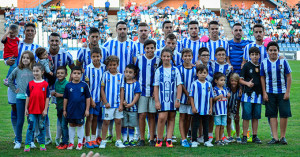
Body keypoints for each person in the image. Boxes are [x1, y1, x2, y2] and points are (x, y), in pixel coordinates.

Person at [6, 23, 40, 141]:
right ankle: (17, 135)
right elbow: (8, 56)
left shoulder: (38, 47)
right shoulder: (18, 44)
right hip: (16, 82)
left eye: (32, 30)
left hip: (31, 85)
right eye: (28, 30)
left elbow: (40, 65)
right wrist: (6, 62)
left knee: (33, 110)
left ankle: (34, 136)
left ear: (35, 33)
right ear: (24, 32)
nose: (30, 32)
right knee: (14, 107)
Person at [260, 41, 292, 145]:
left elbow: (289, 77)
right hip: (270, 92)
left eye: (275, 50)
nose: (273, 52)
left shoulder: (283, 61)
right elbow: (262, 78)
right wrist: (264, 92)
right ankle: (275, 137)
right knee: (272, 115)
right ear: (267, 51)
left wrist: (287, 92)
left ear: (278, 51)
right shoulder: (264, 63)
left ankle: (283, 137)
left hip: (282, 92)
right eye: (271, 50)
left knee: (283, 114)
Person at [154, 48, 182, 147]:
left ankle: (169, 138)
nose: (166, 58)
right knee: (162, 117)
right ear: (161, 57)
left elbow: (179, 85)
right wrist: (157, 101)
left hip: (172, 98)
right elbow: (156, 86)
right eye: (164, 56)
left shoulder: (175, 70)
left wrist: (178, 99)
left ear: (171, 57)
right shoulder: (158, 70)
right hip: (162, 99)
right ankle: (159, 138)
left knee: (171, 117)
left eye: (168, 56)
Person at [8, 51, 35, 149]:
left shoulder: (34, 70)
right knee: (20, 120)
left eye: (27, 58)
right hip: (20, 98)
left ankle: (31, 141)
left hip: (31, 99)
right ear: (21, 59)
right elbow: (9, 80)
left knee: (31, 120)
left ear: (31, 59)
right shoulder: (18, 69)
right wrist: (14, 90)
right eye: (23, 58)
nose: (25, 60)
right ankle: (18, 141)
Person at [135, 39, 159, 146]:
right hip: (142, 92)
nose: (150, 50)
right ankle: (141, 138)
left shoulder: (158, 60)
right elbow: (135, 74)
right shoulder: (139, 59)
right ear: (144, 49)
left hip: (153, 92)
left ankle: (152, 138)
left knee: (152, 115)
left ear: (155, 48)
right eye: (147, 48)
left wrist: (156, 90)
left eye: (152, 48)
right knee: (142, 115)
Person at [99, 55, 126, 148]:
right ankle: (103, 140)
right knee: (106, 122)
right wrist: (105, 102)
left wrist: (121, 103)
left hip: (118, 104)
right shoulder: (105, 75)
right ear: (107, 66)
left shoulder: (121, 76)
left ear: (117, 65)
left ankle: (118, 140)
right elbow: (102, 89)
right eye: (110, 65)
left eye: (114, 65)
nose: (112, 67)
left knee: (118, 121)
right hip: (108, 104)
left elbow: (122, 90)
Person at [24, 63, 50, 152]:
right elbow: (28, 97)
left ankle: (42, 143)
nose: (35, 73)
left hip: (42, 111)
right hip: (31, 110)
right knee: (30, 127)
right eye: (34, 71)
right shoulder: (30, 83)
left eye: (37, 71)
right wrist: (26, 109)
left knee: (41, 127)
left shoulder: (45, 84)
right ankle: (27, 144)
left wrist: (45, 109)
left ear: (42, 72)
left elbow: (47, 98)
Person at [83, 47, 106, 148]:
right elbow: (86, 85)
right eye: (94, 57)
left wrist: (102, 96)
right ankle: (87, 139)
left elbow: (104, 83)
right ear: (90, 57)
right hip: (90, 98)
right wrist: (90, 99)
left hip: (99, 98)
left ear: (101, 56)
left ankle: (93, 139)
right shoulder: (88, 68)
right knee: (89, 118)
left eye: (98, 56)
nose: (96, 58)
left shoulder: (104, 67)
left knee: (96, 118)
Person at [63, 66, 91, 150]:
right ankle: (71, 143)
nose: (76, 75)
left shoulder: (84, 85)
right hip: (71, 110)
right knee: (71, 125)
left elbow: (88, 98)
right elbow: (65, 98)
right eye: (74, 73)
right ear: (71, 74)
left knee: (80, 125)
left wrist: (87, 110)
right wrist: (64, 109)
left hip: (81, 110)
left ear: (81, 75)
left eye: (78, 73)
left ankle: (80, 143)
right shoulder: (68, 86)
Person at [240, 47, 263, 144]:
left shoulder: (261, 66)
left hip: (258, 96)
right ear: (249, 56)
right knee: (246, 116)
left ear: (259, 55)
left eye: (256, 54)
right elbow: (240, 79)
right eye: (252, 54)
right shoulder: (246, 66)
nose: (255, 56)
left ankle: (255, 136)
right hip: (247, 95)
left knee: (256, 116)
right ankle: (245, 136)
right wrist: (247, 84)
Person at [189, 64, 214, 147]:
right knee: (195, 125)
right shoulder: (194, 84)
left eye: (204, 72)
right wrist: (193, 107)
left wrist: (210, 107)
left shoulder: (209, 84)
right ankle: (194, 140)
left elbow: (211, 97)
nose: (203, 74)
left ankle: (206, 140)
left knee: (205, 125)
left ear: (207, 74)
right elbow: (191, 96)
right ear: (197, 74)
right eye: (200, 73)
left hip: (206, 109)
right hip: (197, 108)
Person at [177, 48, 196, 147]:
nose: (187, 58)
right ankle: (183, 138)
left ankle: (186, 137)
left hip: (191, 98)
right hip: (183, 97)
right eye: (185, 56)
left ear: (192, 57)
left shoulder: (195, 69)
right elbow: (180, 83)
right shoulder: (179, 68)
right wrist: (187, 95)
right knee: (182, 117)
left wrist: (191, 96)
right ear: (182, 57)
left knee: (189, 117)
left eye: (189, 56)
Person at [122, 64, 141, 146]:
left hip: (133, 108)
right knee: (124, 124)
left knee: (131, 125)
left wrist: (132, 104)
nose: (128, 74)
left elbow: (137, 95)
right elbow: (120, 93)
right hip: (124, 108)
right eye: (126, 72)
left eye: (130, 72)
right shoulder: (122, 83)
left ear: (134, 74)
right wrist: (123, 102)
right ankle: (125, 139)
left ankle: (131, 139)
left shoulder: (136, 84)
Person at [52, 66, 69, 149]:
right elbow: (56, 95)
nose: (60, 74)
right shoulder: (56, 83)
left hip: (65, 108)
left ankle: (65, 142)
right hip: (59, 107)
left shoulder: (67, 84)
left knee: (64, 125)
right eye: (58, 73)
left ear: (66, 74)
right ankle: (63, 141)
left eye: (62, 73)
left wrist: (60, 95)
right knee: (62, 125)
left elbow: (69, 96)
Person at [213, 72, 231, 146]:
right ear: (216, 81)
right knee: (218, 125)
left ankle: (221, 139)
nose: (223, 81)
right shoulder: (215, 89)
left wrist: (228, 96)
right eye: (221, 80)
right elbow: (213, 99)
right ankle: (217, 140)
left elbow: (226, 99)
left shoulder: (225, 89)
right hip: (217, 111)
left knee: (223, 125)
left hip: (224, 110)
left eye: (224, 80)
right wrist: (218, 97)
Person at [226, 73, 241, 143]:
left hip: (235, 108)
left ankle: (238, 136)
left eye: (235, 81)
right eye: (232, 81)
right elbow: (227, 101)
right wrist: (227, 111)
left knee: (237, 121)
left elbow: (238, 102)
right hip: (228, 107)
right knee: (228, 121)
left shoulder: (239, 90)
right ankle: (229, 136)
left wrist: (237, 112)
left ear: (238, 82)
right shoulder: (228, 89)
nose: (233, 82)